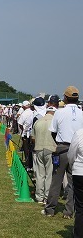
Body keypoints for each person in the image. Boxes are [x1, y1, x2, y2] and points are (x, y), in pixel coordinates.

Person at [42, 86, 83, 218]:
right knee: (72, 182)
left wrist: (58, 144)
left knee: (56, 180)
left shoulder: (59, 112)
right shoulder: (81, 113)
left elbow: (53, 131)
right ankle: (69, 211)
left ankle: (50, 209)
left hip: (62, 148)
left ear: (65, 98)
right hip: (77, 150)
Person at [31, 105, 57, 204]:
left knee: (40, 174)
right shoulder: (54, 122)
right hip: (51, 148)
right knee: (49, 174)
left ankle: (39, 196)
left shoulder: (38, 121)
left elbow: (33, 138)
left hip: (39, 148)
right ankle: (47, 196)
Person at [68, 127, 83, 237]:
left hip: (79, 171)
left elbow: (72, 153)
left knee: (80, 208)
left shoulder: (79, 133)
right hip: (79, 170)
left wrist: (72, 165)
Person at [18, 100, 34, 171]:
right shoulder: (33, 112)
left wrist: (23, 130)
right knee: (31, 149)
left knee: (26, 149)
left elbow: (20, 124)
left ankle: (28, 164)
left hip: (26, 133)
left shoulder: (24, 114)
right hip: (32, 133)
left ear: (24, 106)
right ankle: (31, 164)